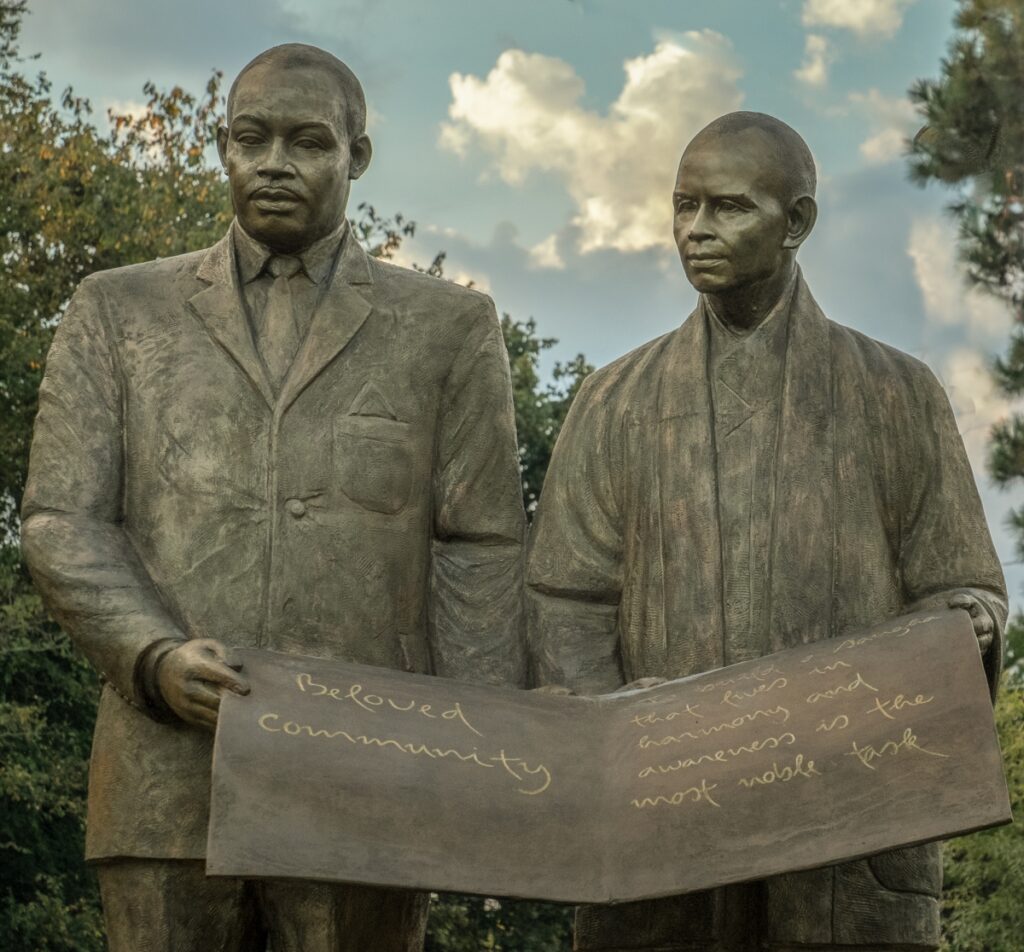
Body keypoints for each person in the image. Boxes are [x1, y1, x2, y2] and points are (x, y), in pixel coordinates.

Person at [22, 43, 526, 952]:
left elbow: (480, 548)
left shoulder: (448, 328)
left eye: (308, 141)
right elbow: (63, 519)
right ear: (223, 147)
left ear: (357, 157)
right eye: (252, 139)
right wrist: (151, 656)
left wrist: (472, 760)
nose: (275, 164)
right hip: (165, 776)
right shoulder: (117, 311)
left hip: (368, 776)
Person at [525, 111, 1006, 952]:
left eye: (730, 208)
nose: (696, 230)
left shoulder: (896, 392)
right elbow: (565, 598)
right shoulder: (613, 401)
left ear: (798, 223)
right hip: (658, 833)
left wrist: (969, 618)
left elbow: (961, 581)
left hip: (849, 832)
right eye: (684, 206)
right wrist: (617, 752)